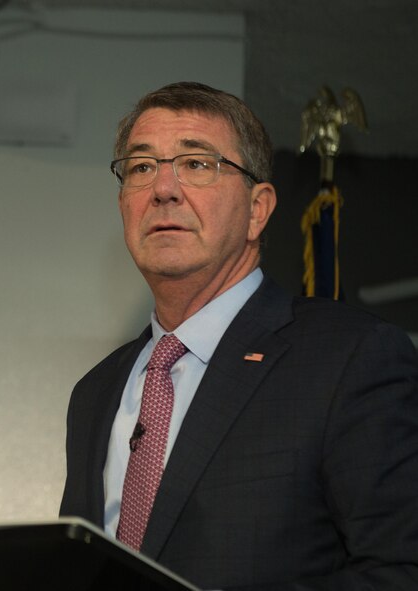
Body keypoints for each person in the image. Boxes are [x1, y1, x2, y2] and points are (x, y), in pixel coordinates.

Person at [59, 81, 418, 590]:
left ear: (257, 209)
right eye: (141, 167)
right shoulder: (94, 393)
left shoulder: (349, 357)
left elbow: (401, 571)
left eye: (197, 164)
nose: (163, 188)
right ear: (122, 203)